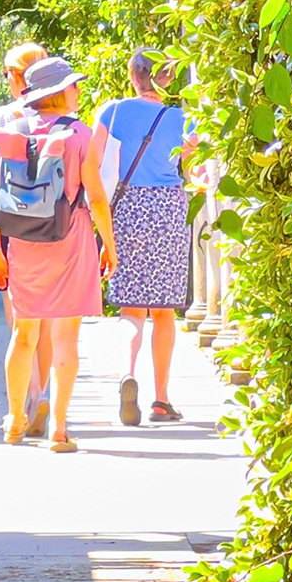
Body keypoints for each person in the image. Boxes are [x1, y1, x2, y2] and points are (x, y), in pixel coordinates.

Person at [0, 56, 116, 452]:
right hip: (71, 241)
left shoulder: (11, 131)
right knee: (66, 338)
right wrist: (109, 247)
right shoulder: (79, 134)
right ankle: (58, 429)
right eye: (73, 85)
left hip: (24, 244)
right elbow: (96, 197)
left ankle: (14, 419)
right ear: (58, 93)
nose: (77, 90)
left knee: (24, 334)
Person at [94, 50, 202, 426]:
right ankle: (161, 400)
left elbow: (93, 165)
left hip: (128, 208)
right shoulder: (182, 117)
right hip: (169, 208)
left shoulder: (112, 112)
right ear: (168, 79)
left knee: (131, 308)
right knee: (164, 310)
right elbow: (193, 169)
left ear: (132, 76)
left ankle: (127, 374)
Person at [0, 42, 54, 436]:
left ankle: (32, 394)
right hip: (53, 225)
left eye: (8, 72)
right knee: (48, 317)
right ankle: (45, 393)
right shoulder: (60, 114)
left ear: (16, 75)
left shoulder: (1, 118)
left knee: (20, 318)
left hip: (10, 225)